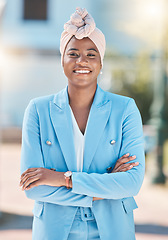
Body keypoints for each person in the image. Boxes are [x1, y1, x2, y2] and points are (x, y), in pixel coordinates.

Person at [20, 7, 145, 240]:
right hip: (55, 230)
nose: (82, 61)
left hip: (112, 228)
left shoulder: (125, 109)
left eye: (91, 54)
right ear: (62, 60)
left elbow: (131, 183)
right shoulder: (38, 110)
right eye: (73, 53)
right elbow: (33, 187)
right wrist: (103, 188)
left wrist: (62, 179)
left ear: (101, 62)